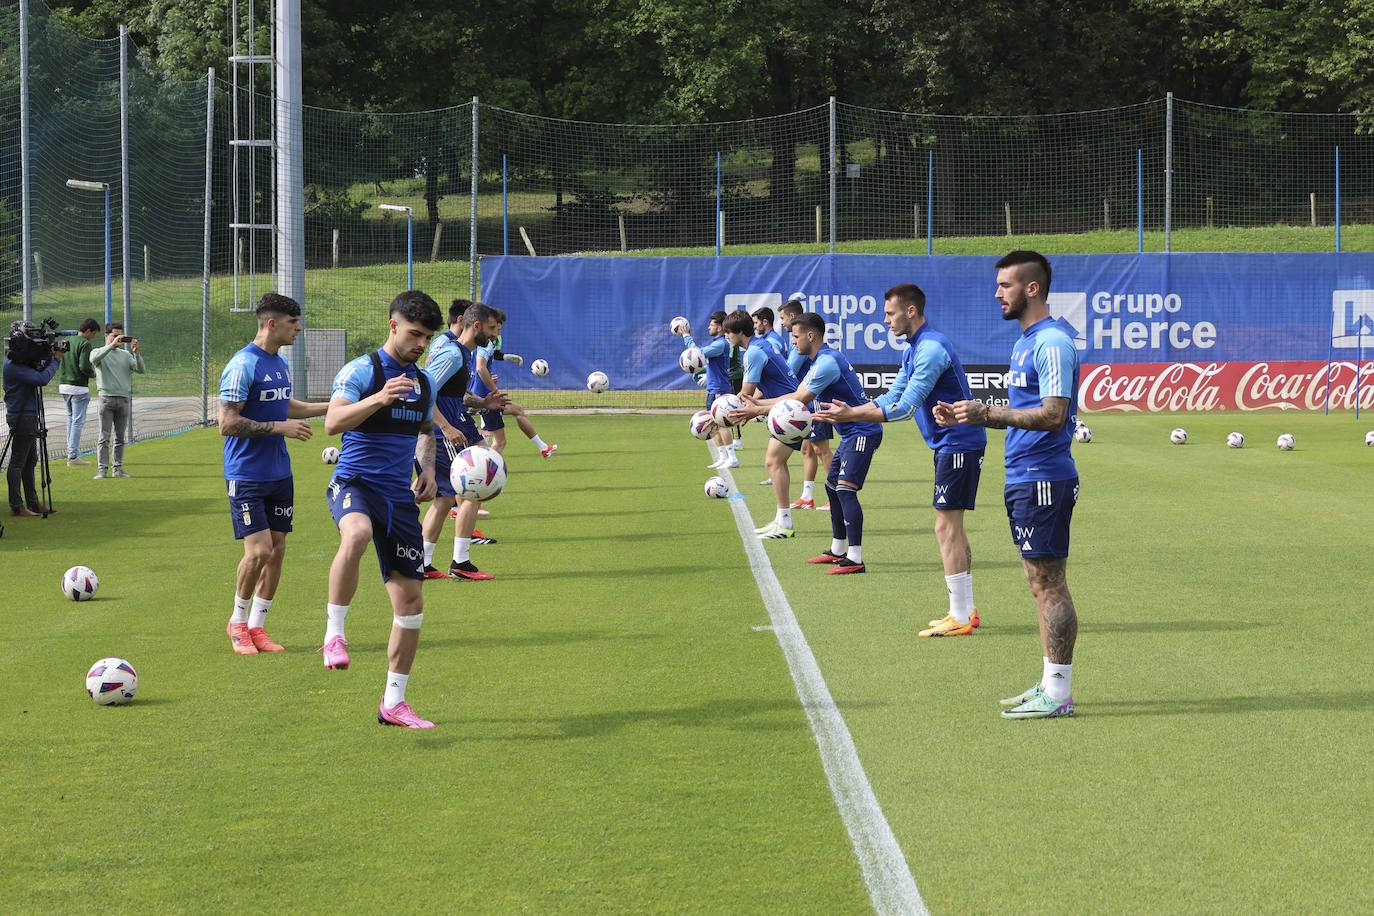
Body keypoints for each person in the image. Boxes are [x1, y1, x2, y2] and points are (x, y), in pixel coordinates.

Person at [935, 250, 1080, 720]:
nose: (997, 292)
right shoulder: (1026, 341)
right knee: (1038, 582)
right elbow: (1023, 408)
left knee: (1049, 583)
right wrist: (967, 412)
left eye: (1005, 285)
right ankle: (1048, 685)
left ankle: (1058, 693)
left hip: (1043, 479)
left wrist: (988, 414)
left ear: (1031, 288)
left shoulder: (1052, 341)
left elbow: (1054, 414)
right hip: (1024, 477)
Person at [816, 283, 988, 636]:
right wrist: (852, 412)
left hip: (960, 443)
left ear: (911, 311)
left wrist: (852, 416)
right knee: (952, 526)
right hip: (951, 444)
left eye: (890, 313)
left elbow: (906, 405)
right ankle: (965, 611)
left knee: (945, 527)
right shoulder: (915, 349)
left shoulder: (931, 348)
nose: (885, 320)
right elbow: (893, 394)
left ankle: (959, 615)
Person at [321, 289, 443, 729]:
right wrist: (379, 398)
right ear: (393, 326)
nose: (420, 345)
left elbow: (427, 429)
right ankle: (334, 634)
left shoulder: (424, 382)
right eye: (414, 334)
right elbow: (332, 423)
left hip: (398, 498)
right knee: (356, 535)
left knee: (412, 603)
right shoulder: (362, 371)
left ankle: (394, 702)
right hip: (354, 483)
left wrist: (426, 468)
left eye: (427, 338)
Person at [218, 293, 329, 655]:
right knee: (259, 551)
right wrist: (281, 428)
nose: (299, 329)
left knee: (277, 549)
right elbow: (227, 423)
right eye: (293, 323)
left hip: (279, 473)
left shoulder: (278, 364)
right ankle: (237, 622)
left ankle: (258, 627)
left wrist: (333, 406)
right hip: (246, 474)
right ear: (272, 324)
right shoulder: (242, 364)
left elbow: (286, 405)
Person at [733, 312, 882, 574]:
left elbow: (799, 400)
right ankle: (838, 550)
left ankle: (855, 558)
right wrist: (758, 404)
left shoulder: (827, 363)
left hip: (864, 431)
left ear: (810, 336)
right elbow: (794, 395)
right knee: (832, 486)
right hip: (851, 432)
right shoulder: (819, 360)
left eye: (796, 336)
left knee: (845, 490)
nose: (793, 341)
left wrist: (756, 410)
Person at [420, 300, 510, 581]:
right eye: (492, 329)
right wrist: (445, 427)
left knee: (445, 500)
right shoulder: (454, 355)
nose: (495, 335)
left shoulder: (464, 354)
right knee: (472, 489)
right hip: (443, 433)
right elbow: (424, 392)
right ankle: (460, 562)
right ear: (476, 326)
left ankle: (422, 563)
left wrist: (482, 401)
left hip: (452, 428)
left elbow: (451, 394)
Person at [722, 310, 802, 539]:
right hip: (785, 409)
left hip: (791, 411)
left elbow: (745, 393)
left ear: (738, 332)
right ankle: (781, 519)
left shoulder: (754, 352)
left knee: (774, 462)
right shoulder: (758, 346)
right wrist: (750, 409)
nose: (727, 337)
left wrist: (717, 413)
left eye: (728, 332)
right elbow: (755, 391)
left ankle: (785, 524)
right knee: (775, 462)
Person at [471, 309, 556, 458]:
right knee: (500, 442)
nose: (498, 331)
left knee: (517, 411)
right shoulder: (486, 344)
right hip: (486, 396)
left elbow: (480, 366)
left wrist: (507, 360)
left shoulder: (476, 344)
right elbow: (480, 368)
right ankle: (482, 471)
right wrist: (494, 389)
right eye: (496, 327)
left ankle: (543, 447)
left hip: (479, 393)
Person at [779, 300, 832, 512]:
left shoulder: (809, 352)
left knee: (821, 449)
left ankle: (833, 495)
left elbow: (789, 369)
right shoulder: (800, 346)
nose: (782, 323)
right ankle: (807, 496)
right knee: (807, 449)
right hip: (805, 404)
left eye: (783, 318)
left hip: (812, 404)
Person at [3, 336, 62, 517]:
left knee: (30, 461)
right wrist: (56, 360)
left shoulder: (16, 362)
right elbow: (41, 379)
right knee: (18, 462)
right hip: (23, 415)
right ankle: (17, 505)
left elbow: (38, 371)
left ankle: (32, 502)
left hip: (27, 414)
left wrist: (48, 357)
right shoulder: (14, 366)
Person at [678, 311, 737, 469]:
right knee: (714, 424)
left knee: (721, 423)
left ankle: (732, 457)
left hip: (719, 389)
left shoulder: (720, 344)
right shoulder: (718, 342)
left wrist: (686, 336)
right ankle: (723, 456)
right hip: (713, 389)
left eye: (711, 325)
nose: (708, 328)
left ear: (719, 327)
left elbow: (697, 354)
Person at [90, 322, 145, 479]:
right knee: (104, 437)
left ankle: (118, 469)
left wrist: (136, 353)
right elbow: (94, 360)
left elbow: (141, 369)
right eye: (114, 335)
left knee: (120, 438)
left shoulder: (126, 355)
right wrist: (111, 346)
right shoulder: (98, 352)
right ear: (106, 336)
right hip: (106, 399)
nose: (118, 339)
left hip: (123, 400)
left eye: (120, 336)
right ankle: (102, 470)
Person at [57, 318, 99, 466]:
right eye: (93, 333)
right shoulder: (85, 344)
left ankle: (70, 453)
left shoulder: (67, 340)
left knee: (70, 418)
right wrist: (93, 374)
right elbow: (84, 366)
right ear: (88, 331)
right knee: (78, 422)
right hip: (78, 387)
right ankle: (73, 456)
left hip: (64, 385)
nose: (93, 337)